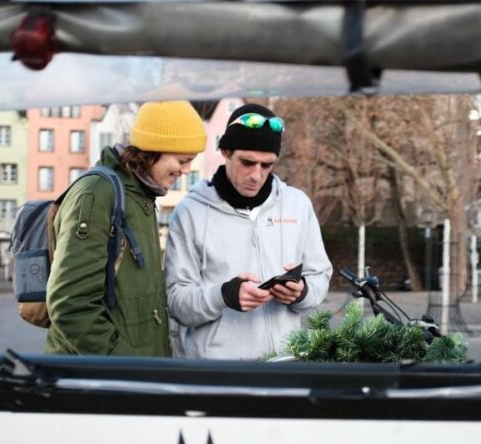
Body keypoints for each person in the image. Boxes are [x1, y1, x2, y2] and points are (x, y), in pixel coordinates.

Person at [165, 103, 333, 360]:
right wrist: (224, 295)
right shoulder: (190, 212)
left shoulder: (298, 204)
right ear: (225, 151)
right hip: (219, 372)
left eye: (267, 165)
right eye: (247, 162)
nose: (257, 175)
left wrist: (303, 292)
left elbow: (320, 276)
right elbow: (177, 303)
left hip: (286, 364)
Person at [44, 101, 206, 356]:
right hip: (101, 382)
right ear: (155, 150)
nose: (186, 171)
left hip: (133, 377)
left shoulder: (140, 197)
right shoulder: (98, 193)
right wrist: (127, 366)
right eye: (182, 160)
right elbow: (71, 306)